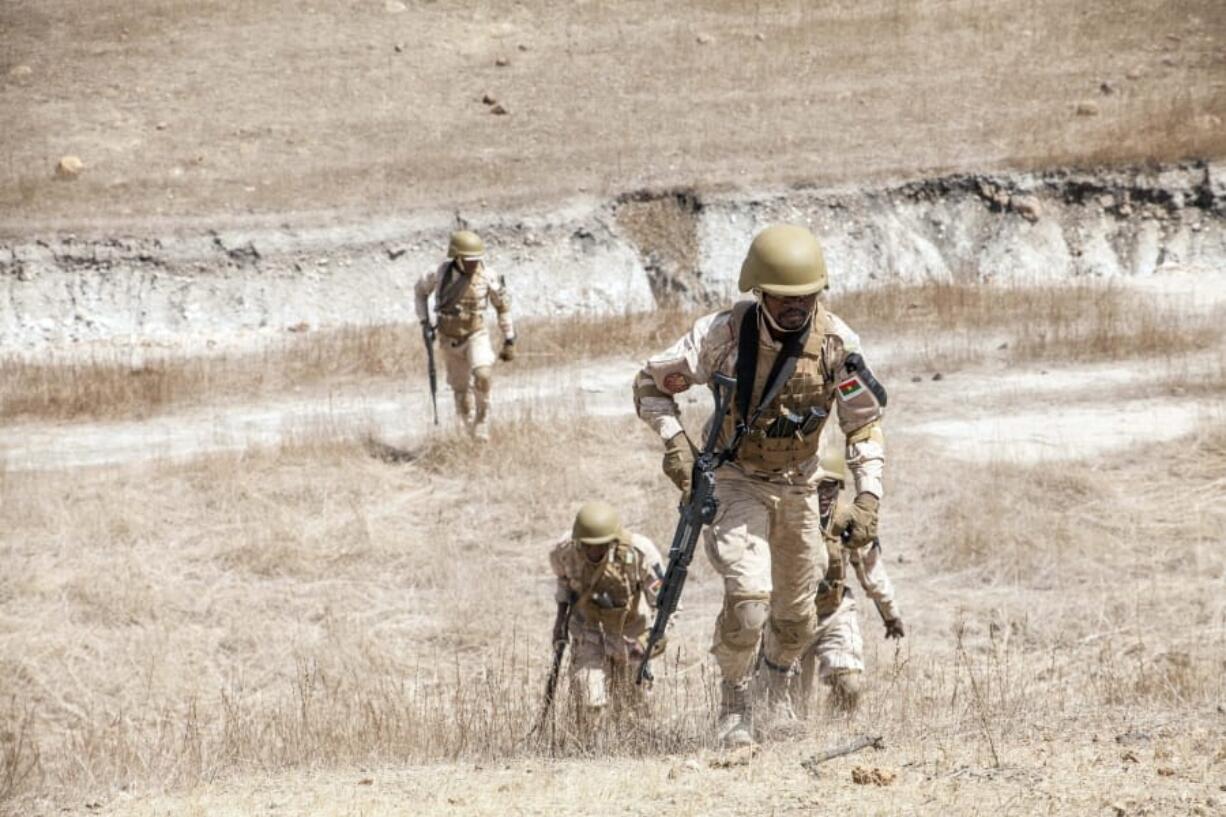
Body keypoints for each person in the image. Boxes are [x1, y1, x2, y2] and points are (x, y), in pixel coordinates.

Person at [632, 223, 887, 747]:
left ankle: (775, 697)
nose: (796, 308)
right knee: (750, 599)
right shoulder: (721, 337)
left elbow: (863, 423)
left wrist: (867, 496)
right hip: (734, 478)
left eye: (806, 297)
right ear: (760, 292)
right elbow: (649, 385)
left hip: (800, 485)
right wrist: (676, 443)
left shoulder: (838, 343)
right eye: (783, 298)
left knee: (797, 620)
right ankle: (735, 706)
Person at [798, 446, 904, 715]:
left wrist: (890, 614)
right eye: (817, 486)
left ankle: (837, 734)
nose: (823, 495)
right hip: (790, 617)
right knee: (789, 704)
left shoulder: (848, 522)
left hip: (833, 611)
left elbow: (871, 570)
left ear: (839, 487)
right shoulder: (786, 520)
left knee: (850, 685)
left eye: (830, 487)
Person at [549, 501, 666, 719]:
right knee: (588, 702)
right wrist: (559, 623)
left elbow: (667, 603)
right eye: (587, 545)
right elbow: (564, 582)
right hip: (588, 632)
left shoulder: (640, 553)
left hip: (631, 635)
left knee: (635, 709)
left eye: (601, 544)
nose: (593, 550)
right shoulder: (564, 551)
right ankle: (590, 750)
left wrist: (649, 640)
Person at [414, 230, 514, 440]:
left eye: (476, 259)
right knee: (460, 391)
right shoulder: (439, 273)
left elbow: (502, 306)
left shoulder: (487, 274)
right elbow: (420, 292)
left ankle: (483, 419)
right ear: (457, 257)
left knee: (483, 375)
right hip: (448, 338)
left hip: (475, 333)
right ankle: (468, 429)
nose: (472, 264)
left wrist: (509, 338)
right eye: (468, 260)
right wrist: (424, 321)